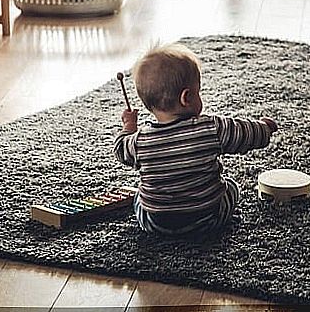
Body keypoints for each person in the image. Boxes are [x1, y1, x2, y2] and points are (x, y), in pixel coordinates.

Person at [114, 43, 278, 236]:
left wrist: (129, 125)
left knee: (139, 197)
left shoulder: (139, 142)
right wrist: (265, 127)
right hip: (207, 218)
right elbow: (245, 133)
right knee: (232, 186)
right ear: (187, 97)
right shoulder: (211, 128)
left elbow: (120, 149)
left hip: (156, 224)